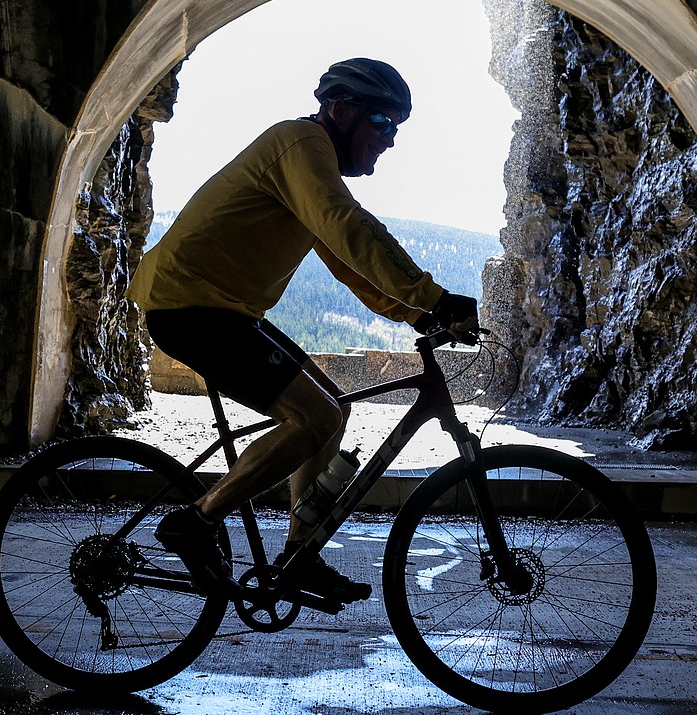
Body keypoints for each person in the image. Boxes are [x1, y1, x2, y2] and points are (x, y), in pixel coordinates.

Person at [126, 58, 479, 604]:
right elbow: (348, 226)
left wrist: (418, 315)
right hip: (190, 304)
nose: (390, 140)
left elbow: (344, 260)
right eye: (382, 123)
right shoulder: (301, 143)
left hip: (223, 310)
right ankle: (195, 523)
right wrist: (431, 296)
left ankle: (297, 556)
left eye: (398, 129)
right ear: (341, 110)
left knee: (332, 408)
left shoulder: (309, 168)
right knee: (314, 417)